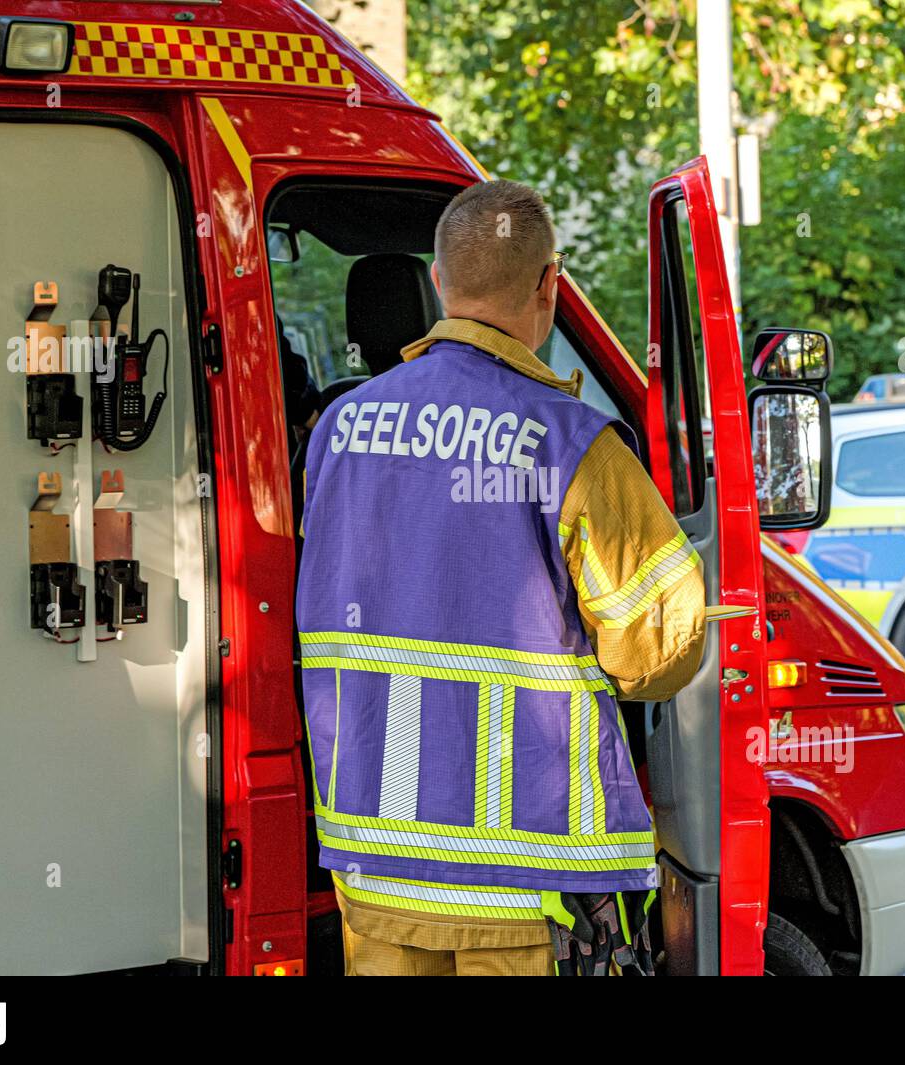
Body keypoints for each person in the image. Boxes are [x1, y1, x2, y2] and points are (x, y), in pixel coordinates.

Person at [295, 179, 706, 976]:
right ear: (551, 285)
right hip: (529, 883)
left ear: (441, 283)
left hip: (375, 866)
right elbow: (655, 654)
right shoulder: (574, 442)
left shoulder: (338, 431)